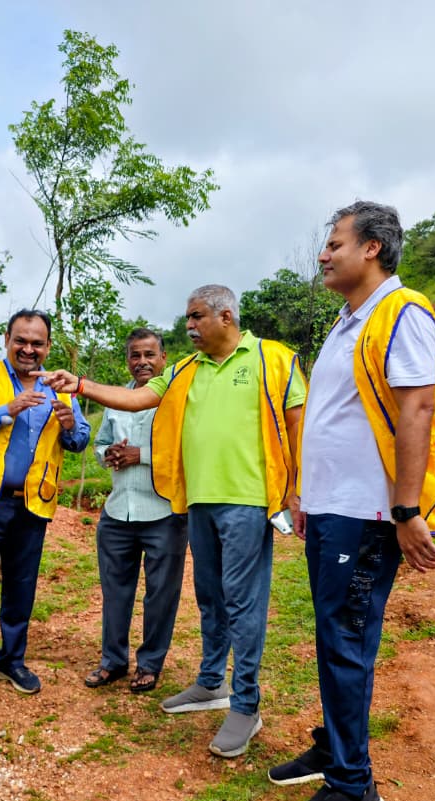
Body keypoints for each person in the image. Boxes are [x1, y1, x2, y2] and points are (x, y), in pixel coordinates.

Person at [268, 201, 435, 801]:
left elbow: (417, 411)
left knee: (347, 639)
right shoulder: (350, 320)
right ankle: (334, 746)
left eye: (334, 244)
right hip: (333, 508)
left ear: (372, 248)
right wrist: (306, 496)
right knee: (334, 637)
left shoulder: (403, 313)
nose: (323, 255)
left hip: (368, 513)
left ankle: (354, 787)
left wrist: (406, 510)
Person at [46, 285, 305, 759]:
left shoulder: (274, 359)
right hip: (197, 502)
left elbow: (296, 425)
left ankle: (246, 705)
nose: (189, 326)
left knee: (242, 602)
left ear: (225, 316)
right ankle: (210, 682)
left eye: (196, 316)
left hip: (248, 501)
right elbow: (136, 399)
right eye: (187, 318)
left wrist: (297, 490)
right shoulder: (186, 369)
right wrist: (79, 384)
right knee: (209, 598)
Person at [0, 309, 91, 706]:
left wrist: (69, 424)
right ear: (7, 340)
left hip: (33, 504)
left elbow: (79, 439)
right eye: (21, 341)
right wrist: (5, 412)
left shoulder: (60, 386)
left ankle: (11, 661)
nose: (29, 349)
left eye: (37, 343)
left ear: (48, 346)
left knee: (21, 587)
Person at [84, 328, 188, 694]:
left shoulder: (177, 399)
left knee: (160, 595)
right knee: (115, 592)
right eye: (135, 355)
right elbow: (100, 443)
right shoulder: (116, 400)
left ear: (163, 358)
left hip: (164, 513)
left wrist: (139, 455)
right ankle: (113, 661)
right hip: (117, 513)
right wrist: (109, 454)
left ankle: (150, 664)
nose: (142, 362)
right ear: (127, 360)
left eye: (149, 355)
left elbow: (186, 450)